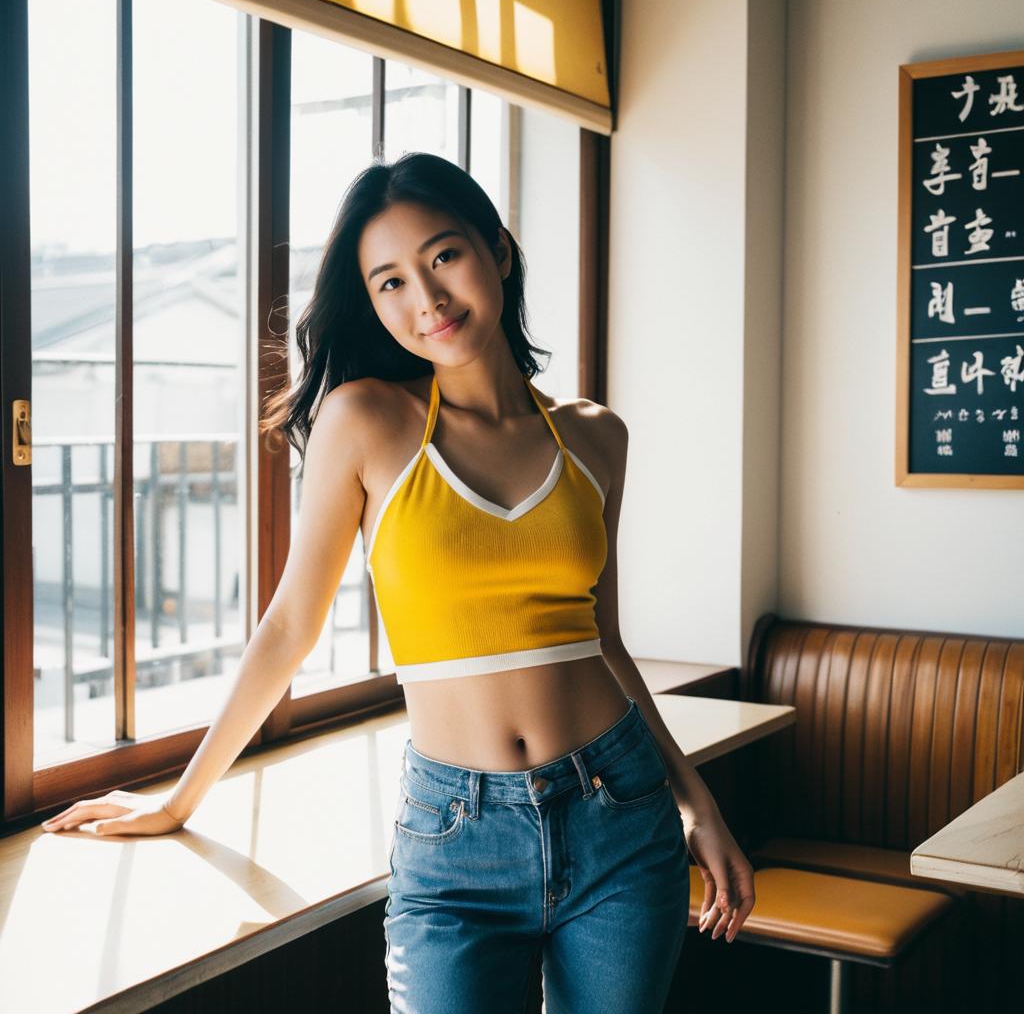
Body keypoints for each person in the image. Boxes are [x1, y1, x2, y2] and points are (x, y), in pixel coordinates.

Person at [41, 151, 755, 1011]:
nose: (427, 298)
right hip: (455, 838)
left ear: (497, 249)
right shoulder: (370, 420)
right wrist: (178, 801)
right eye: (390, 281)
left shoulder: (597, 438)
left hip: (618, 813)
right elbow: (288, 627)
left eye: (444, 256)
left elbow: (600, 637)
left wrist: (694, 799)